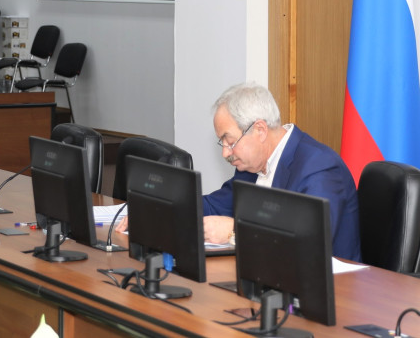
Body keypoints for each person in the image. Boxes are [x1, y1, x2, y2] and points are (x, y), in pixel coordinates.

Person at [117, 82, 361, 262]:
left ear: (260, 130)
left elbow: (310, 241)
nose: (226, 153)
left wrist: (235, 231)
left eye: (230, 141)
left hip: (333, 295)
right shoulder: (251, 166)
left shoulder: (318, 168)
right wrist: (157, 211)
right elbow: (214, 206)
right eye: (222, 143)